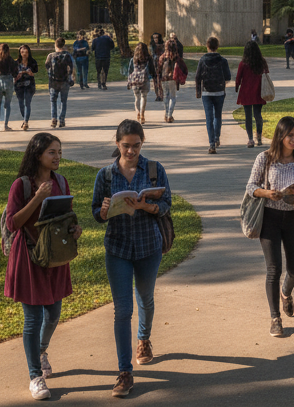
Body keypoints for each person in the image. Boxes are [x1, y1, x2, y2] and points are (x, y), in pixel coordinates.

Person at [92, 119, 172, 398]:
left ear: (142, 143)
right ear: (117, 144)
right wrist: (104, 211)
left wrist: (146, 205)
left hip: (148, 246)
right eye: (126, 146)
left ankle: (144, 338)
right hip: (118, 249)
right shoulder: (106, 175)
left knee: (146, 298)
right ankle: (124, 371)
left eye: (136, 145)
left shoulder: (153, 169)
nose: (131, 151)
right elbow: (96, 213)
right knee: (122, 309)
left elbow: (166, 204)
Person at [5, 133, 82, 401]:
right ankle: (35, 376)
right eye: (52, 152)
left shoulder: (61, 181)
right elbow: (13, 224)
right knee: (33, 318)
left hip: (55, 256)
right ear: (38, 154)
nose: (58, 156)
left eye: (59, 151)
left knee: (53, 313)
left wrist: (74, 229)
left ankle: (41, 349)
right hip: (28, 256)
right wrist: (37, 198)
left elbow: (64, 217)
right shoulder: (21, 186)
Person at [246, 115, 294, 336]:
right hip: (269, 217)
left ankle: (286, 292)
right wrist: (268, 193)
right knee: (274, 269)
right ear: (280, 136)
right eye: (289, 135)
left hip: (293, 217)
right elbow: (251, 187)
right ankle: (275, 318)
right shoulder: (265, 158)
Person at [194, 36, 232, 154]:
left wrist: (198, 92)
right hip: (219, 92)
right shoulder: (222, 60)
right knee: (218, 116)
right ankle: (216, 138)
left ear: (207, 46)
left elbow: (197, 77)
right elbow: (228, 77)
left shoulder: (202, 60)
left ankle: (211, 144)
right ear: (217, 46)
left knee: (209, 118)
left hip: (206, 92)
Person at [236, 40, 270, 147]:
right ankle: (259, 137)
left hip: (246, 92)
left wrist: (237, 87)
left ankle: (250, 139)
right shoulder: (262, 62)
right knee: (258, 115)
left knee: (248, 117)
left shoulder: (243, 63)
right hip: (258, 92)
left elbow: (238, 78)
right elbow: (266, 73)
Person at [45, 39, 73, 130]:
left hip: (53, 82)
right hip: (64, 81)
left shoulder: (51, 56)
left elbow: (47, 66)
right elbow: (71, 68)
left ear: (55, 45)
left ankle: (54, 118)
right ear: (64, 45)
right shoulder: (67, 55)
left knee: (53, 101)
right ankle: (62, 119)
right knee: (63, 101)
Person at [0, 43, 16, 131]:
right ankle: (6, 125)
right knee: (7, 105)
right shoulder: (10, 60)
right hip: (8, 82)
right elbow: (14, 72)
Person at [159, 42, 186, 123]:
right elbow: (184, 67)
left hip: (164, 78)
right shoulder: (176, 57)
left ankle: (166, 113)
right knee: (173, 97)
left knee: (166, 96)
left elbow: (159, 68)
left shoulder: (162, 57)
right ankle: (169, 115)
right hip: (173, 79)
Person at [14, 44, 39, 131]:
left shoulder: (32, 62)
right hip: (19, 85)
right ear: (20, 53)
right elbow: (13, 73)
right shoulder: (16, 63)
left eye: (26, 52)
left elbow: (35, 70)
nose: (24, 54)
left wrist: (30, 72)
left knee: (27, 103)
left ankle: (26, 121)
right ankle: (25, 119)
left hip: (29, 85)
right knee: (21, 104)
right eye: (22, 52)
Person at [126, 43, 153, 124]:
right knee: (143, 96)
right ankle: (142, 114)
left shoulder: (133, 59)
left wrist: (129, 81)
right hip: (144, 80)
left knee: (137, 97)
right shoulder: (148, 59)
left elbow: (130, 71)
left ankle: (137, 111)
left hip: (135, 80)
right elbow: (152, 69)